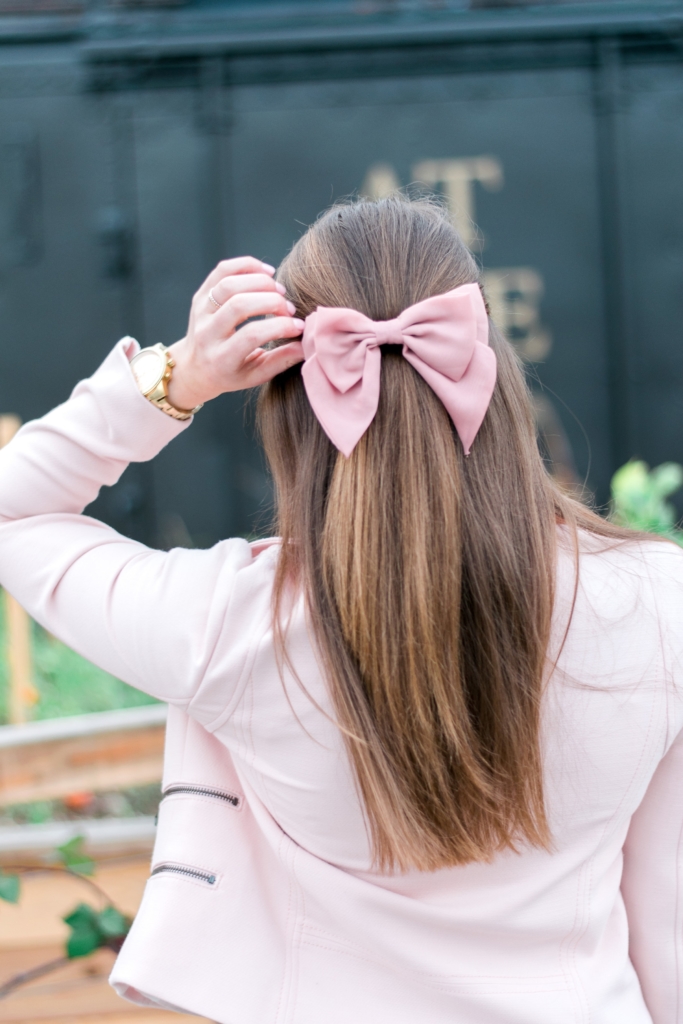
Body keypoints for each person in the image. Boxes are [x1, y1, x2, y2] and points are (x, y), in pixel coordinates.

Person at [0, 196, 679, 1024]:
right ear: (488, 365)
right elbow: (665, 920)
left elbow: (14, 511)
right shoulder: (659, 604)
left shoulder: (224, 625)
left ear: (288, 397)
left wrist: (181, 374)